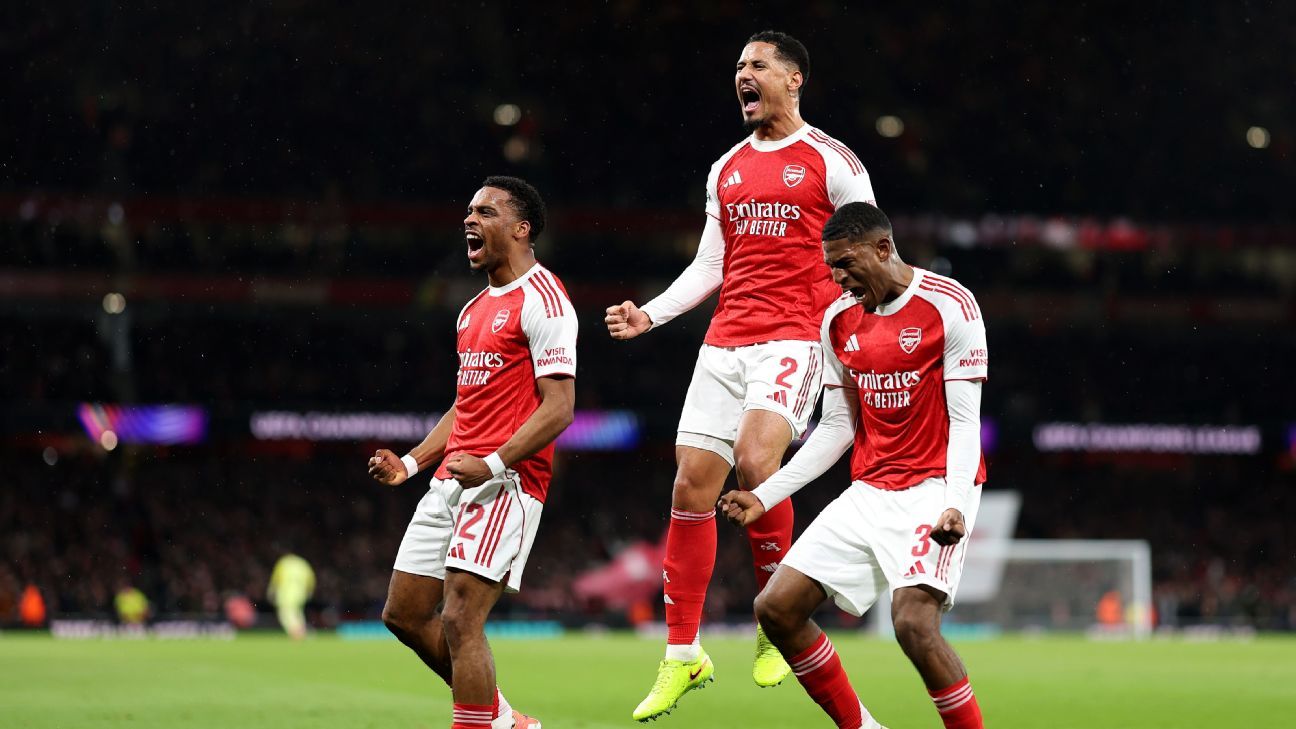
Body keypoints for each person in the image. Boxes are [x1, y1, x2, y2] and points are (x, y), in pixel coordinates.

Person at [604, 30, 878, 721]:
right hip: (725, 340)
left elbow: (874, 251)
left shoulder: (834, 162)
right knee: (691, 483)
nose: (742, 75)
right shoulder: (726, 167)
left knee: (757, 461)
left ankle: (775, 617)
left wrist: (870, 334)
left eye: (757, 64)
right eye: (737, 66)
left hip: (797, 335)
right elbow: (711, 263)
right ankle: (682, 654)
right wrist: (651, 315)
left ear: (794, 78)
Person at [720, 202, 988, 729]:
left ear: (883, 248)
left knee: (913, 624)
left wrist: (955, 504)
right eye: (831, 268)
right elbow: (837, 428)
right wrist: (765, 495)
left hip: (935, 488)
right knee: (775, 609)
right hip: (870, 490)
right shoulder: (838, 320)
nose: (838, 278)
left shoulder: (950, 305)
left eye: (845, 263)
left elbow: (965, 421)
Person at [369, 176, 575, 729]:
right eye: (468, 211)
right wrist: (412, 463)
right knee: (404, 614)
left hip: (505, 483)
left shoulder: (546, 300)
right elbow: (466, 403)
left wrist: (492, 463)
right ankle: (502, 718)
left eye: (485, 212)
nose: (469, 219)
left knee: (461, 618)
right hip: (451, 479)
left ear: (521, 229)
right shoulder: (471, 311)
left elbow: (559, 408)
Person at [267, 551, 315, 640]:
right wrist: (309, 591)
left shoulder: (283, 563)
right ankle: (302, 631)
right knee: (297, 613)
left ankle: (297, 632)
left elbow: (276, 579)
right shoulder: (302, 563)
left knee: (285, 613)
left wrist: (271, 591)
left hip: (285, 593)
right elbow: (311, 578)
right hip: (301, 593)